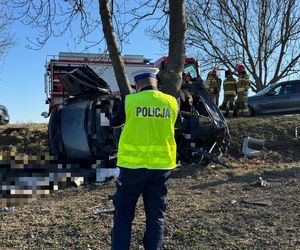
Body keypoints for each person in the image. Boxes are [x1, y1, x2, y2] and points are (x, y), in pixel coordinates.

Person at [111, 68, 179, 250]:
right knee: (156, 215)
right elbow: (177, 124)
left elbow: (114, 122)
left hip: (132, 167)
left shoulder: (130, 101)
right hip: (161, 167)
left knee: (123, 214)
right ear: (155, 81)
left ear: (138, 84)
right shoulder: (171, 102)